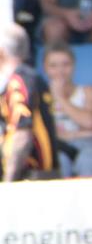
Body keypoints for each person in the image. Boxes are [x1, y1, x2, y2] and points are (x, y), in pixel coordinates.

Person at [41, 43, 92, 178]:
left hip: (88, 147)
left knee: (89, 160)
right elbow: (46, 134)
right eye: (53, 66)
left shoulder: (88, 91)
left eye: (65, 64)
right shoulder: (40, 96)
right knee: (59, 161)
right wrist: (81, 133)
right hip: (57, 146)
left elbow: (90, 122)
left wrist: (60, 98)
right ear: (45, 68)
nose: (60, 71)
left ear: (74, 65)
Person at [0, 23, 58, 182]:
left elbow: (23, 133)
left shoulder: (18, 82)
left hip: (31, 177)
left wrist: (8, 183)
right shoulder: (31, 77)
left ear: (1, 53)